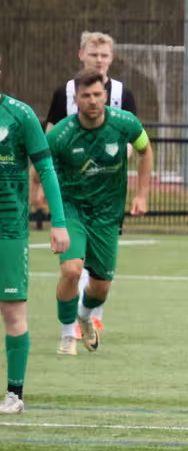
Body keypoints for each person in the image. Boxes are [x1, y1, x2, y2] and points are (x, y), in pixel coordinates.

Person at [44, 68, 152, 356]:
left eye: (96, 94)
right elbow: (42, 164)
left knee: (101, 287)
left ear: (105, 95)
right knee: (71, 270)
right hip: (72, 209)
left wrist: (142, 194)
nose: (92, 100)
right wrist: (38, 193)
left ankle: (84, 315)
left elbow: (145, 150)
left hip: (107, 213)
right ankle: (67, 334)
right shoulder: (61, 134)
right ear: (76, 99)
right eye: (85, 96)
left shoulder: (125, 123)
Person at [0, 54, 71, 413]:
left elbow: (46, 171)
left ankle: (15, 394)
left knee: (13, 311)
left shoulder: (20, 115)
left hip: (9, 231)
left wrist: (58, 221)